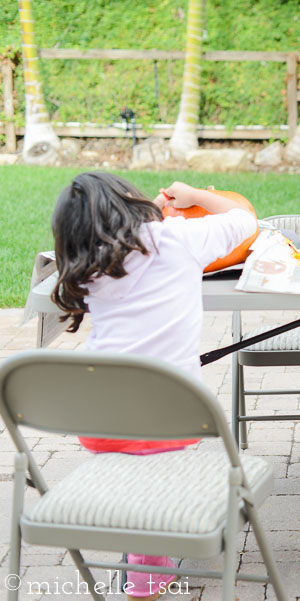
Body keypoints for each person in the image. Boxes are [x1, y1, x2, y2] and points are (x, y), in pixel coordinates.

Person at [50, 172, 258, 601]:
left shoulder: (88, 267)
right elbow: (244, 219)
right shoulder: (178, 240)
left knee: (139, 466)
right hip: (172, 418)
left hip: (98, 417)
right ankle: (145, 585)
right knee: (157, 480)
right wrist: (196, 196)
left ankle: (139, 533)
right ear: (132, 201)